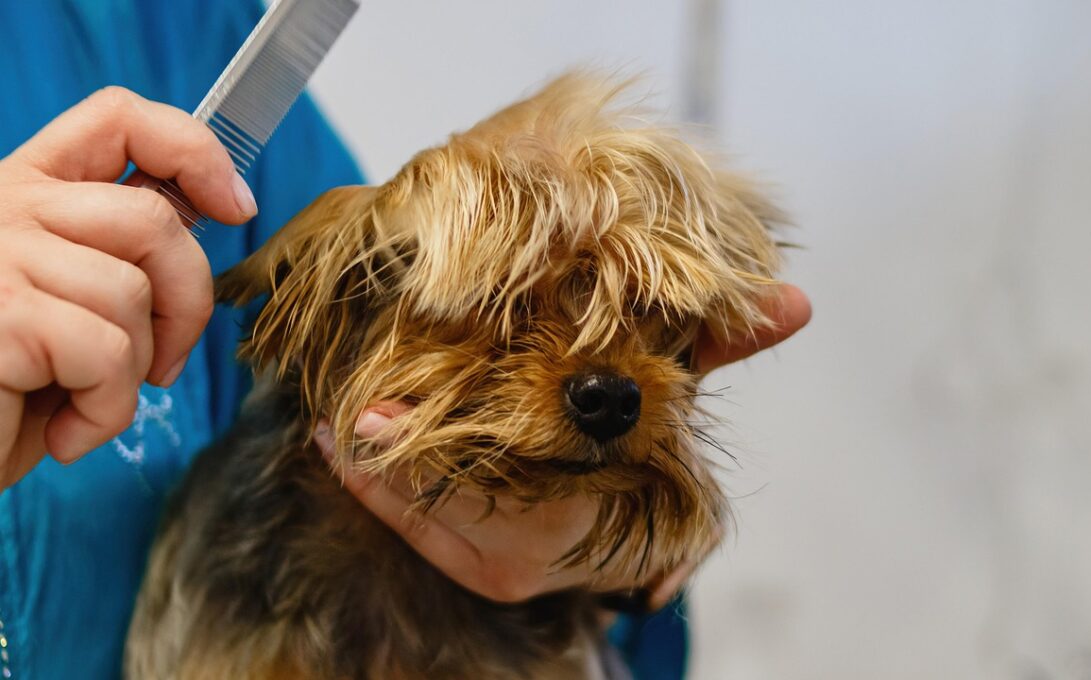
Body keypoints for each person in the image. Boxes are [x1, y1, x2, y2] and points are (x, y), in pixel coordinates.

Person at [0, 2, 811, 678]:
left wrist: (619, 576)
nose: (606, 379)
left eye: (644, 317)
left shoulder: (176, 30)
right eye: (503, 310)